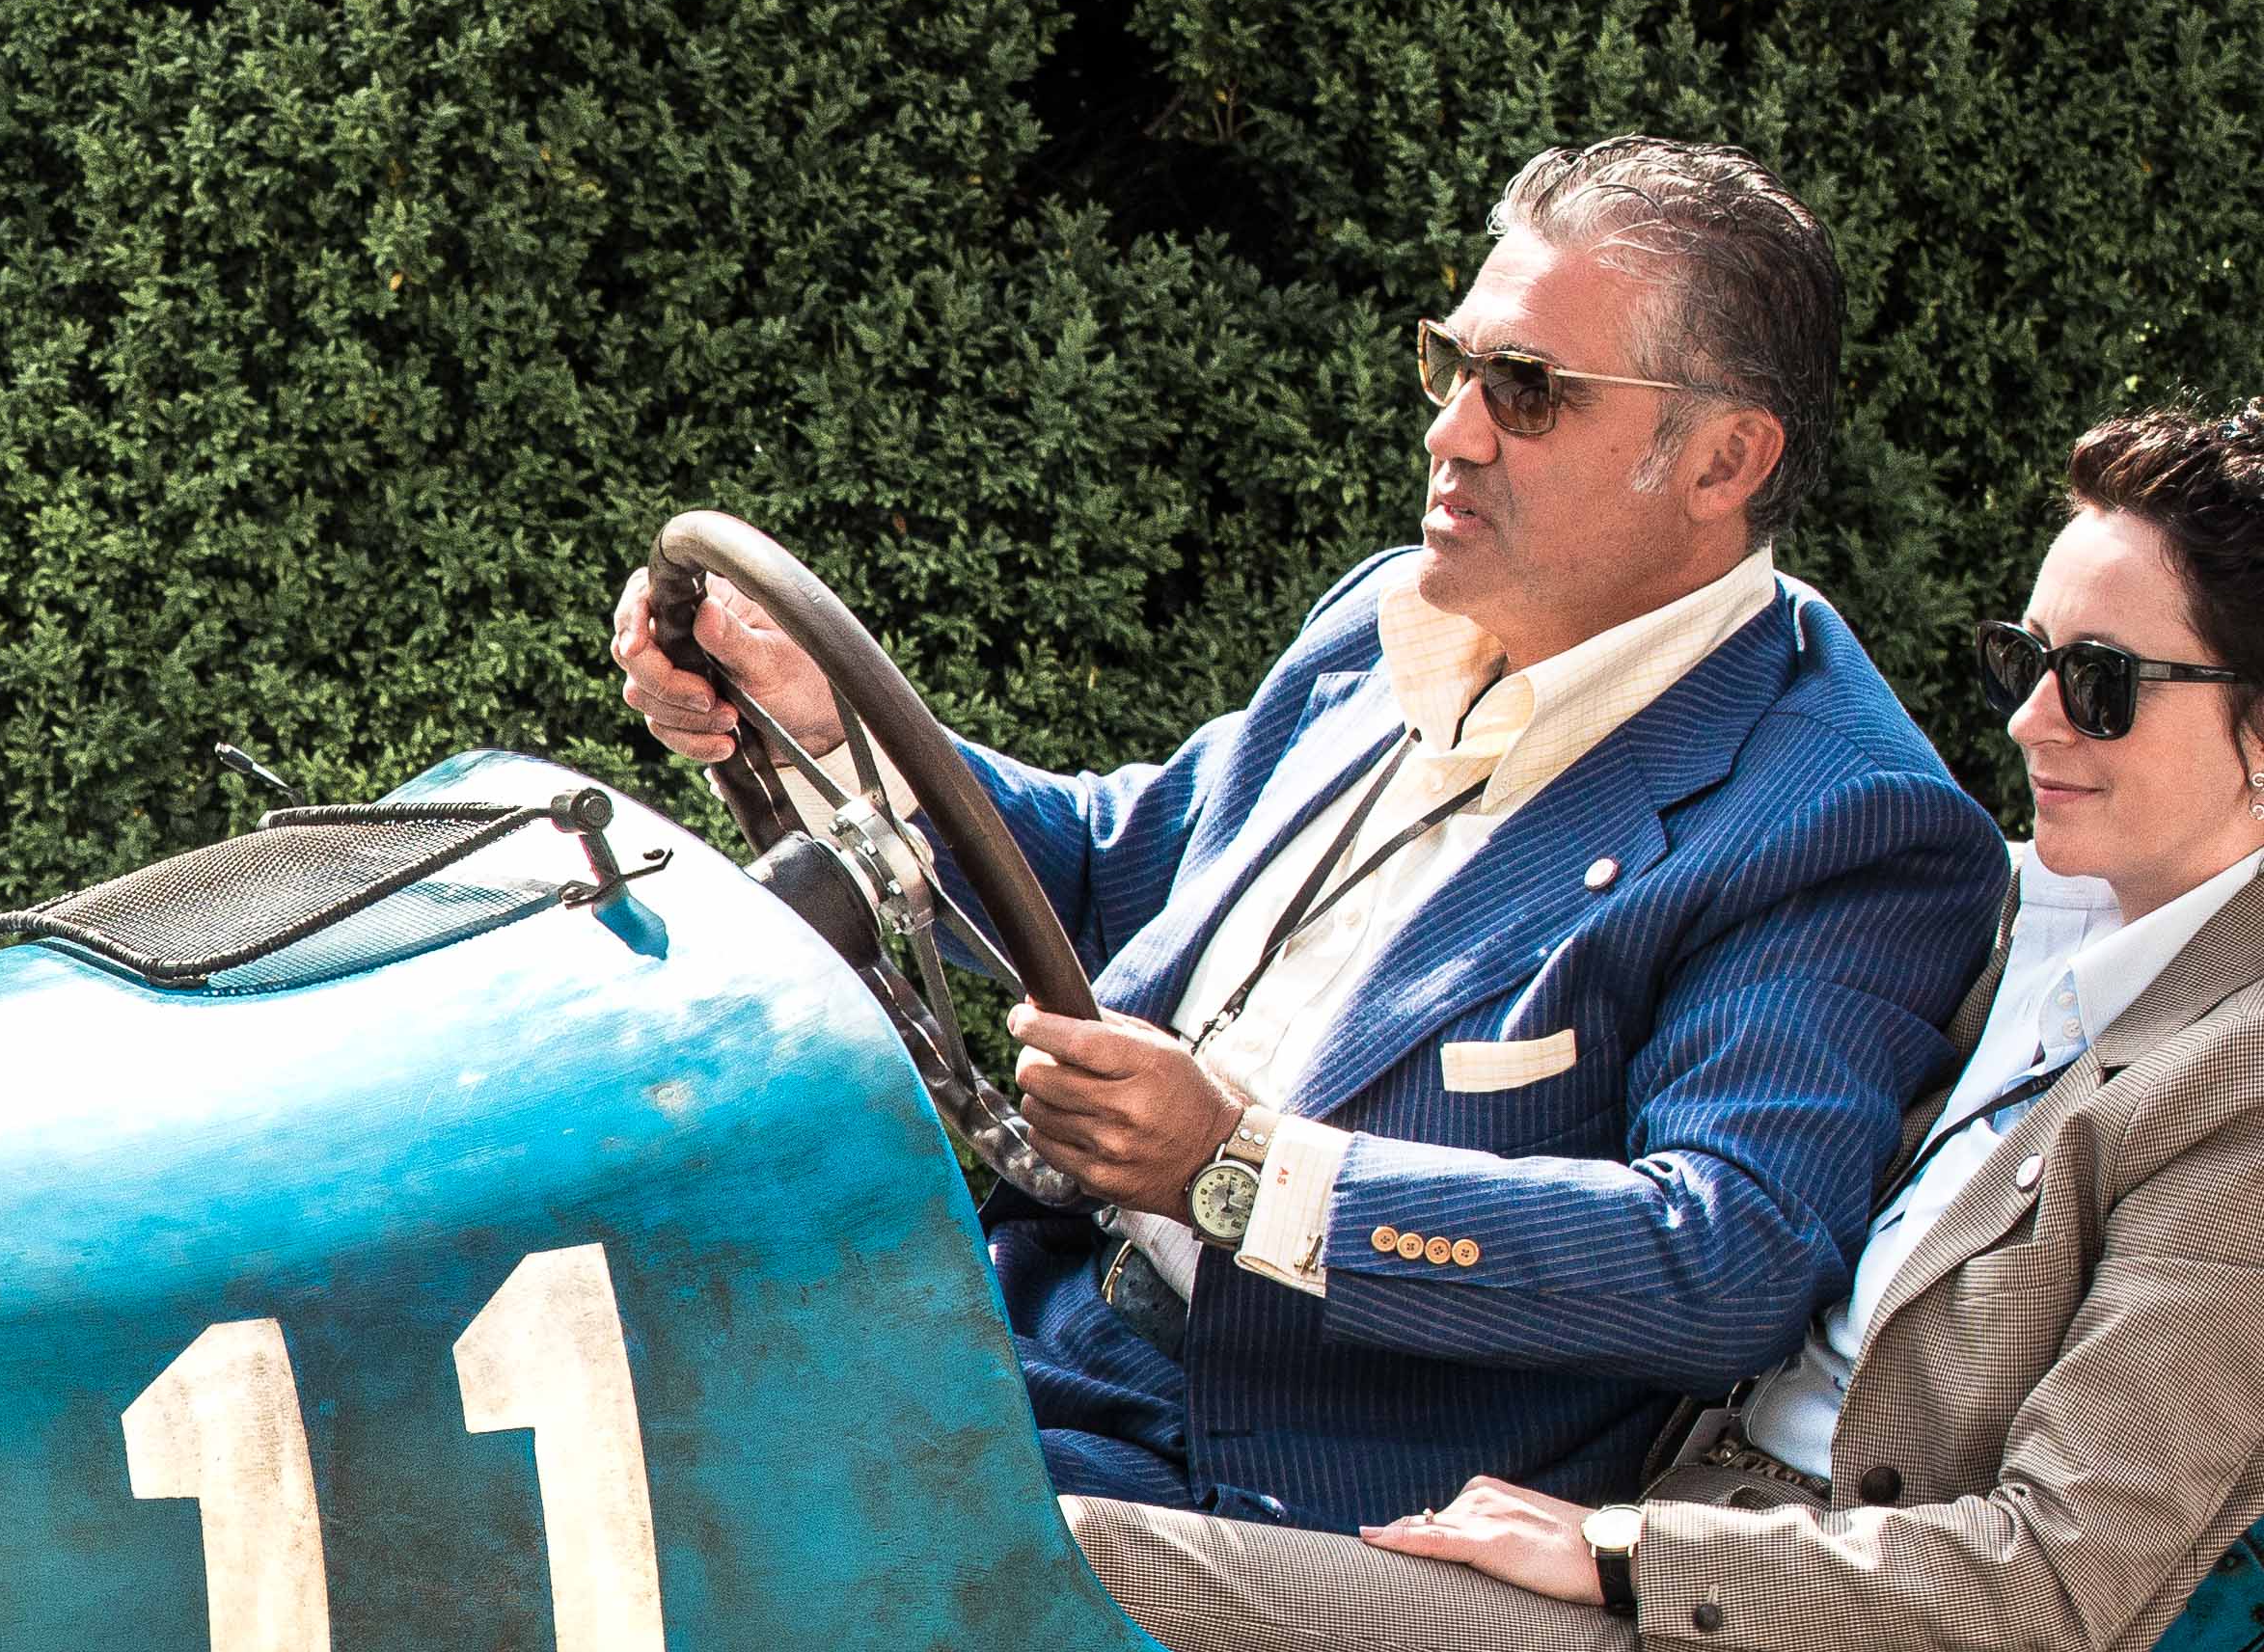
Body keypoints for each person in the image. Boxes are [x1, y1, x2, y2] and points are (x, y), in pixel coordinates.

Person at [613, 139, 2004, 1531]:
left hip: (1272, 1484)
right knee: (576, 1346)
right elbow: (1114, 872)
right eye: (1451, 366)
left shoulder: (1842, 815)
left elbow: (1724, 1257)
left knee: (689, 1509)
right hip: (1026, 1315)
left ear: (1724, 459)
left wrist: (1241, 1173)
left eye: (1527, 390)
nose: (1452, 432)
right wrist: (824, 723)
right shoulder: (1391, 616)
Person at [1062, 408, 2264, 1652]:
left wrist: (1627, 1553)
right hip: (1640, 1505)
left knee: (1075, 1569)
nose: (2029, 724)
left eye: (2102, 685)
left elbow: (2057, 1575)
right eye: (2023, 662)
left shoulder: (2239, 1076)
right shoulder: (2019, 914)